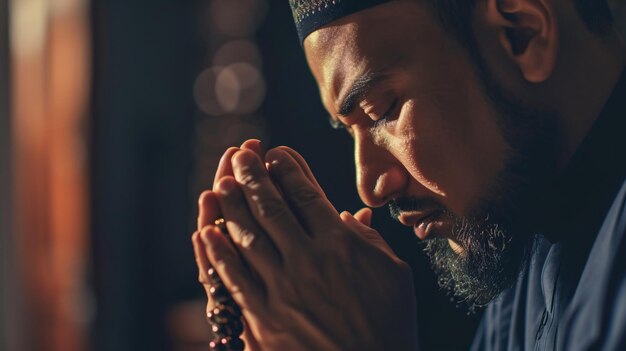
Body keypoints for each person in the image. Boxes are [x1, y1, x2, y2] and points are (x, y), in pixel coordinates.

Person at [191, 0, 626, 349]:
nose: (370, 185)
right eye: (348, 131)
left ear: (521, 34)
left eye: (382, 112)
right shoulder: (521, 289)